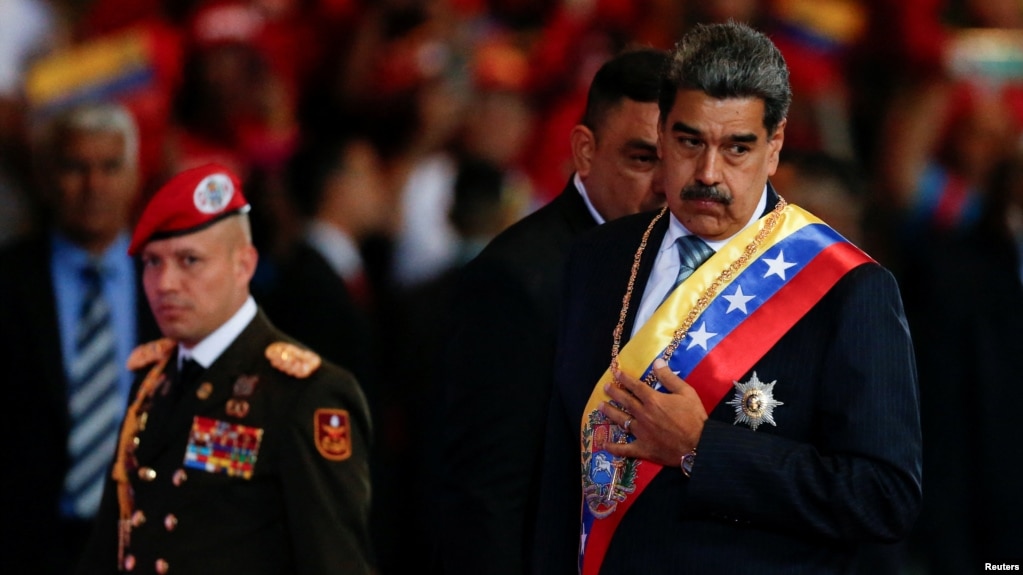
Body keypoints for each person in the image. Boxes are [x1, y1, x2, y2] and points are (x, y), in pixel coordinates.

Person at [533, 22, 921, 574]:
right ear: (662, 134)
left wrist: (702, 449)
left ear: (775, 148)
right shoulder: (598, 258)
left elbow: (884, 498)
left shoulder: (848, 289)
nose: (709, 174)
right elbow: (557, 472)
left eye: (737, 148)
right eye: (690, 142)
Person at [75, 163, 374, 575]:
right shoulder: (153, 381)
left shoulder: (306, 393)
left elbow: (334, 561)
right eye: (153, 263)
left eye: (189, 261)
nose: (165, 284)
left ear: (243, 265)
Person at [436, 47, 668, 575]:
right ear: (585, 151)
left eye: (674, 158)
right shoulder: (516, 280)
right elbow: (486, 496)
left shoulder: (685, 265)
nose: (662, 184)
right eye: (641, 158)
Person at [0, 102, 159, 575]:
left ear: (134, 176)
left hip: (150, 543)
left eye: (110, 167)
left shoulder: (174, 281)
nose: (94, 186)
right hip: (25, 545)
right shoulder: (8, 281)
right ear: (46, 178)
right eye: (76, 167)